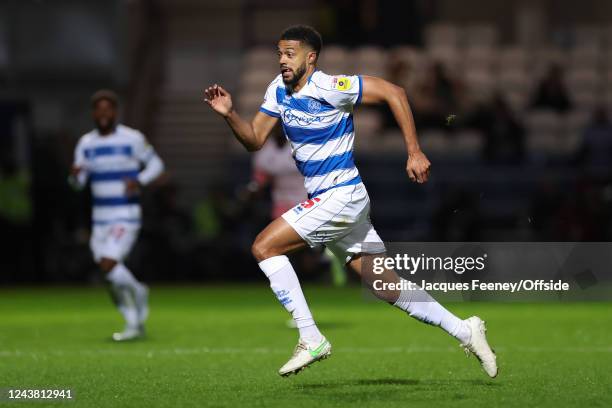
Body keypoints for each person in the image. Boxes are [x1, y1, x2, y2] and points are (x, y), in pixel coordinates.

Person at [203, 25, 497, 378]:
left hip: (341, 194)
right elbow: (254, 140)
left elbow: (394, 92)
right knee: (385, 285)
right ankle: (465, 329)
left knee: (264, 247)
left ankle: (310, 337)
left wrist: (414, 151)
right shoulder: (276, 91)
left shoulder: (329, 86)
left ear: (310, 58)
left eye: (290, 53)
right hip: (333, 199)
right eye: (279, 53)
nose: (282, 59)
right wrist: (230, 114)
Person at [70, 90, 165, 341]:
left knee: (108, 264)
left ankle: (139, 295)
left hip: (125, 214)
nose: (103, 114)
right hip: (99, 218)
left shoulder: (132, 138)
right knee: (109, 274)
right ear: (93, 113)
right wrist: (74, 175)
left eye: (108, 109)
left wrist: (139, 180)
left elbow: (156, 165)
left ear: (115, 112)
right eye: (98, 110)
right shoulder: (86, 143)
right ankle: (133, 322)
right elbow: (78, 183)